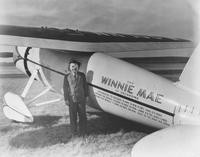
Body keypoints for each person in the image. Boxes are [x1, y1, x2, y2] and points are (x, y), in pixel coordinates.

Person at [63, 59, 88, 137]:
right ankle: (74, 133)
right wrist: (66, 99)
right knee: (73, 117)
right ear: (70, 67)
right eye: (72, 66)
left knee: (82, 116)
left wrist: (86, 96)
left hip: (81, 99)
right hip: (72, 100)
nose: (74, 68)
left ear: (78, 67)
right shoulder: (66, 76)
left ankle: (83, 132)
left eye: (76, 66)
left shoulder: (82, 75)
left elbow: (85, 86)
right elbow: (65, 88)